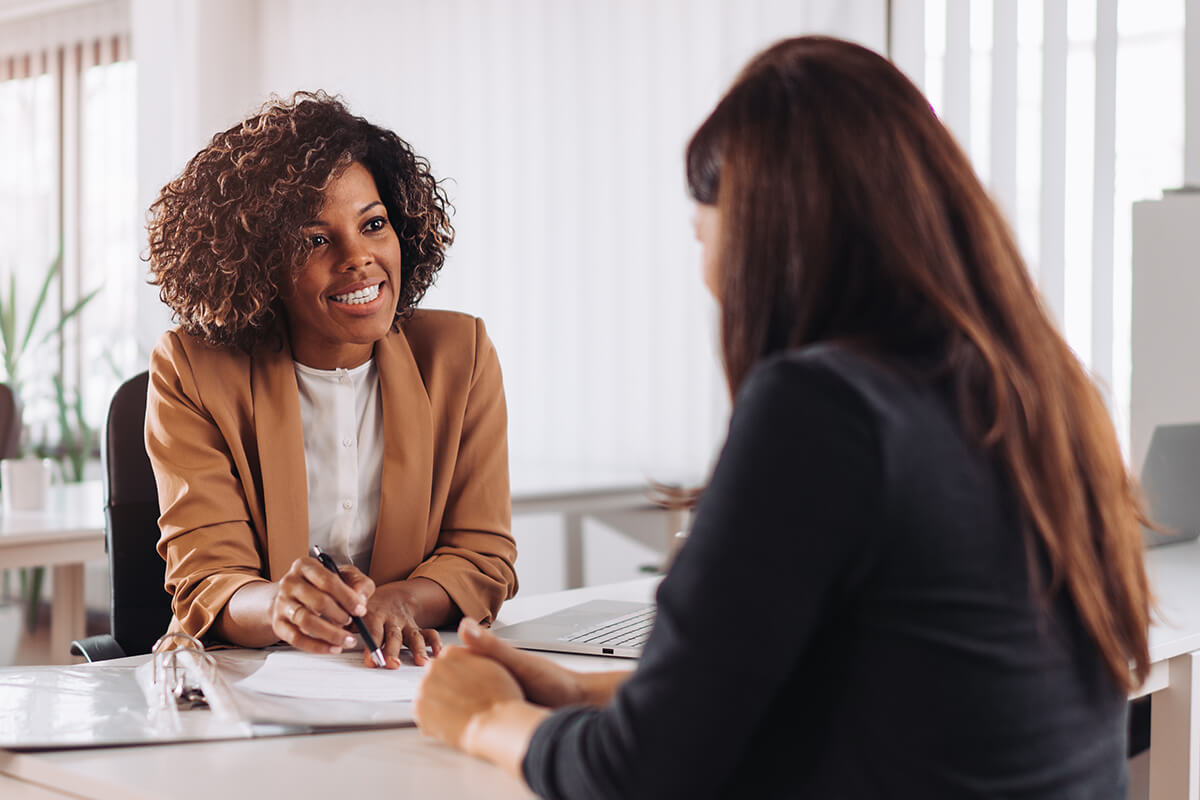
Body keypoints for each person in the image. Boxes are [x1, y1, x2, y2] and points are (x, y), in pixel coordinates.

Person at [413, 36, 1152, 797]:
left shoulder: (825, 408)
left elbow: (640, 777)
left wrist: (482, 719)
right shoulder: (1052, 395)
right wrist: (578, 693)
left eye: (704, 235)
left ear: (766, 234)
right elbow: (877, 686)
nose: (708, 280)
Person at [145, 92, 517, 668]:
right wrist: (279, 607)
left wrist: (401, 602)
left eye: (373, 224)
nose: (358, 257)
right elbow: (208, 579)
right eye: (316, 239)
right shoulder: (192, 369)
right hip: (245, 684)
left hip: (401, 677)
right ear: (260, 262)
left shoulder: (458, 355)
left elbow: (482, 555)